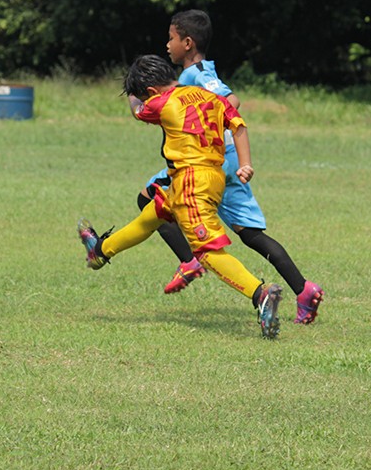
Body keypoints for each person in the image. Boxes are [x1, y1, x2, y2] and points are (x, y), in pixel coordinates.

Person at [77, 54, 285, 339]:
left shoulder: (160, 102)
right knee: (151, 216)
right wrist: (246, 163)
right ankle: (100, 251)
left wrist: (134, 93)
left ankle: (259, 294)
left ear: (151, 91)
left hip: (190, 181)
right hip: (213, 177)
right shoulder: (208, 96)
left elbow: (138, 110)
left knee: (207, 252)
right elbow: (238, 124)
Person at [143, 10, 323, 325]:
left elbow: (231, 100)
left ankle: (189, 261)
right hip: (226, 159)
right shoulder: (194, 73)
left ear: (187, 42)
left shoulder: (195, 74)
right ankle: (304, 289)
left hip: (211, 161)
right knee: (250, 234)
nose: (167, 44)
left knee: (150, 198)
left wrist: (205, 128)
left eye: (171, 38)